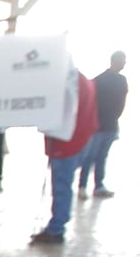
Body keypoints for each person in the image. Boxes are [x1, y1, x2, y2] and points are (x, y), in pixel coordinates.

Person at [31, 71, 98, 245]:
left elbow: (59, 113)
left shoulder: (66, 82)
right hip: (80, 138)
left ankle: (56, 229)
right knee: (64, 185)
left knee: (61, 185)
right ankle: (58, 225)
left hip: (67, 142)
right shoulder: (80, 80)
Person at [77, 51, 127, 199]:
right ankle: (82, 186)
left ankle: (98, 185)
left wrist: (116, 117)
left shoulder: (122, 80)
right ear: (114, 61)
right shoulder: (99, 80)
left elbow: (122, 102)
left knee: (102, 156)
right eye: (123, 60)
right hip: (97, 126)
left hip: (111, 124)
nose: (124, 63)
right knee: (89, 156)